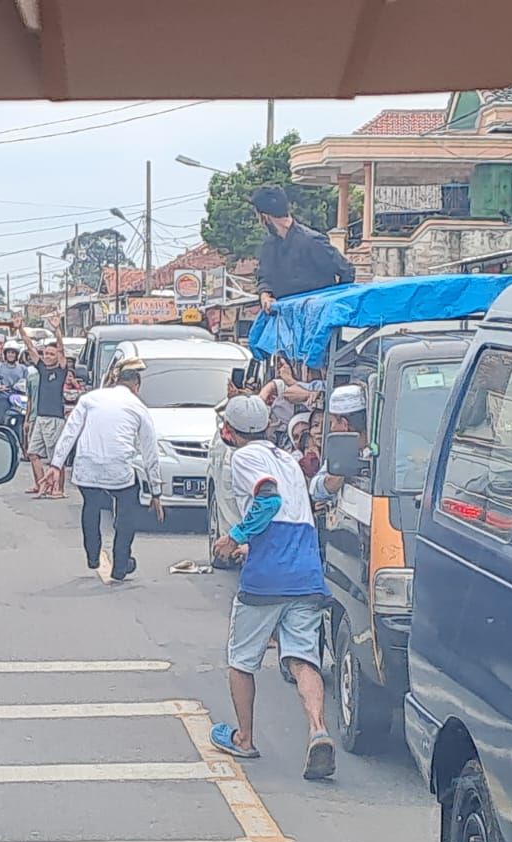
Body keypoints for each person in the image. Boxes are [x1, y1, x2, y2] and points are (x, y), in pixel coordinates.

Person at [207, 396, 335, 778]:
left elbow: (267, 502)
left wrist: (234, 537)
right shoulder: (286, 460)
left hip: (269, 571)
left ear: (228, 431)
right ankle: (318, 729)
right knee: (301, 658)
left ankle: (244, 738)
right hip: (305, 565)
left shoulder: (242, 459)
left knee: (242, 659)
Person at [42, 361, 164, 581]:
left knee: (91, 505)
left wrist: (55, 465)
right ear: (137, 386)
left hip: (87, 467)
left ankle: (92, 554)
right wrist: (156, 492)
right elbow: (150, 452)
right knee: (128, 512)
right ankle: (121, 563)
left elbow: (70, 432)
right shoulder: (138, 407)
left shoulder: (90, 399)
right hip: (119, 470)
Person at [251, 185, 356, 314]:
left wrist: (331, 305)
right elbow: (265, 277)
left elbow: (347, 271)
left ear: (264, 217)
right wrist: (265, 295)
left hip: (317, 320)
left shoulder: (312, 241)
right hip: (284, 320)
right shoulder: (269, 245)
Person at [19, 317, 76, 498]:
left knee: (55, 457)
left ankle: (58, 489)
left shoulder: (60, 370)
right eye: (46, 354)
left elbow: (61, 347)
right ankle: (41, 485)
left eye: (51, 354)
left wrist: (57, 330)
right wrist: (20, 328)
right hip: (41, 417)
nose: (47, 357)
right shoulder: (42, 369)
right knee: (33, 453)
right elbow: (30, 347)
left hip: (54, 418)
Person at [309, 383, 368, 503]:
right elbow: (315, 490)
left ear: (344, 424)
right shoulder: (341, 453)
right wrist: (335, 478)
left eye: (332, 422)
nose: (332, 428)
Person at [0, 342, 31, 423]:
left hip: (19, 399)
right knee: (0, 419)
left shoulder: (23, 369)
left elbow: (27, 382)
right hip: (4, 398)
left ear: (16, 354)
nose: (10, 355)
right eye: (8, 352)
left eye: (13, 353)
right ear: (5, 354)